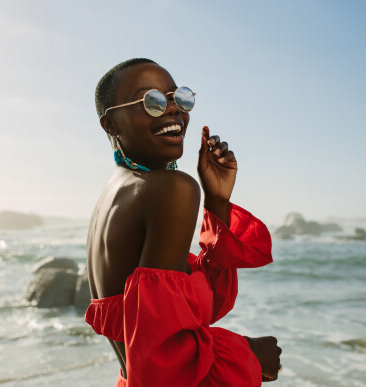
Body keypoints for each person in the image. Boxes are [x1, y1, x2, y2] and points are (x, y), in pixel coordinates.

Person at [85, 58, 282, 386]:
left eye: (178, 98)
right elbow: (164, 365)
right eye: (152, 101)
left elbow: (188, 314)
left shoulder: (112, 197)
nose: (174, 110)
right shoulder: (171, 188)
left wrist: (217, 203)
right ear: (111, 125)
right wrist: (249, 353)